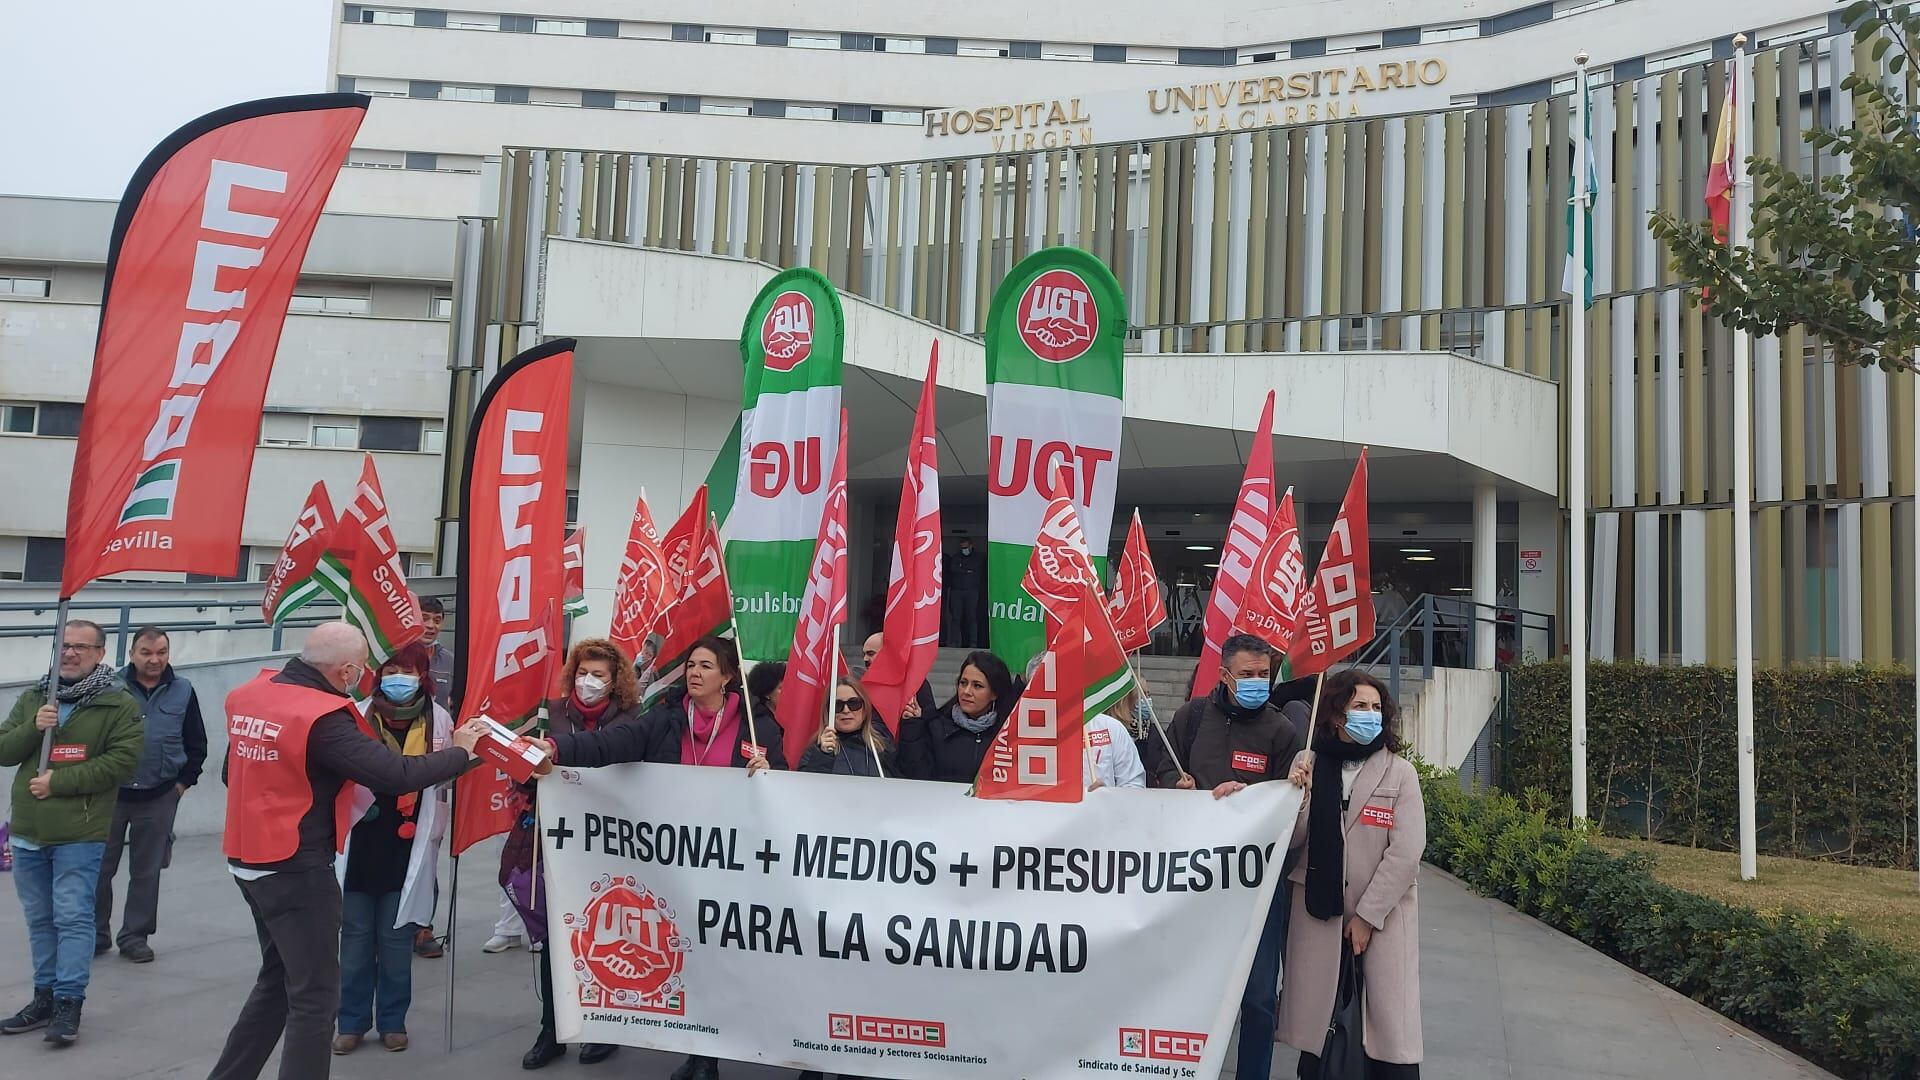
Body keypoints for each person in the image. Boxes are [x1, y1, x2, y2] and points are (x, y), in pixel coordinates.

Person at [208, 622, 484, 1080]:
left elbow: (229, 773)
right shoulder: (320, 714)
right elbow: (395, 774)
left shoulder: (252, 694)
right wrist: (462, 752)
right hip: (296, 869)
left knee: (278, 982)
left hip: (248, 858)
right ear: (350, 670)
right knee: (316, 999)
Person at [542, 635, 779, 1080]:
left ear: (727, 677)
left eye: (706, 666)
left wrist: (770, 775)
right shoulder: (667, 718)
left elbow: (783, 780)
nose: (695, 673)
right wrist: (558, 750)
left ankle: (709, 1055)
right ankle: (693, 1048)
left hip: (728, 864)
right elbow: (615, 742)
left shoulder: (755, 723)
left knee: (716, 960)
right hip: (672, 865)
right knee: (683, 957)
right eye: (691, 664)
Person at [1155, 634, 1306, 1080]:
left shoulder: (1283, 731)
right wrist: (1174, 786)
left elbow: (1290, 820)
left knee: (1259, 997)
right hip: (1194, 883)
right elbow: (1159, 772)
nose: (1257, 682)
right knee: (1190, 990)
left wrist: (1271, 797)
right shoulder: (1191, 718)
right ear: (1224, 676)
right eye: (1247, 675)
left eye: (1264, 675)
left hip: (1259, 889)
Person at [0, 619, 143, 1045]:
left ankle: (68, 1002)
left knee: (74, 918)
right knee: (40, 919)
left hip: (79, 833)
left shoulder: (117, 703)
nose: (70, 653)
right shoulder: (35, 695)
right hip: (28, 832)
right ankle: (42, 997)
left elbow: (122, 763)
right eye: (65, 645)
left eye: (81, 647)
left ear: (101, 654)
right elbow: (5, 749)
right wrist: (34, 728)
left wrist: (58, 782)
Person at [1277, 669, 1426, 1078]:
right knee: (1321, 1037)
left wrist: (1366, 917)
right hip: (1320, 916)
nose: (1370, 714)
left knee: (1387, 1039)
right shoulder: (1309, 762)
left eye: (1376, 707)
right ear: (1338, 715)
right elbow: (1294, 840)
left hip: (1381, 921)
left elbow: (1407, 852)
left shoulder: (1399, 773)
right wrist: (1299, 796)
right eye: (1360, 706)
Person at [517, 638, 645, 1070]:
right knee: (557, 937)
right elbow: (523, 773)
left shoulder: (629, 718)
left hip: (609, 844)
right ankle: (551, 1028)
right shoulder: (550, 713)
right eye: (583, 673)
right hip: (556, 842)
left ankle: (601, 1028)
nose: (588, 682)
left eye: (599, 676)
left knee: (604, 938)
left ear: (615, 682)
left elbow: (625, 757)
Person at [330, 643, 453, 1056]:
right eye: (391, 669)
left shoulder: (439, 719)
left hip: (409, 847)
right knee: (357, 939)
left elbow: (450, 775)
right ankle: (350, 1021)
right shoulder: (355, 714)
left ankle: (392, 1021)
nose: (398, 677)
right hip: (361, 843)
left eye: (408, 669)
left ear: (422, 674)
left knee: (398, 942)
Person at [96, 625, 207, 964]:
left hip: (160, 795)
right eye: (146, 653)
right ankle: (95, 934)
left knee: (147, 871)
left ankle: (135, 936)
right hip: (110, 795)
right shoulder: (110, 687)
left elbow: (197, 744)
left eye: (161, 653)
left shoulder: (183, 690)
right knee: (99, 867)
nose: (154, 659)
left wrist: (181, 785)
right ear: (131, 654)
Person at [1021, 654, 1145, 791]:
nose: (1050, 693)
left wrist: (1109, 796)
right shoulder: (1019, 736)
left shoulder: (1110, 729)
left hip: (1101, 812)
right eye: (1040, 688)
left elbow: (1135, 785)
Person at [894, 651, 1014, 784]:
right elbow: (916, 775)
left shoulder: (1008, 733)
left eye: (977, 686)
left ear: (994, 693)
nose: (966, 691)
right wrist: (913, 728)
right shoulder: (937, 727)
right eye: (963, 683)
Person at [797, 677, 893, 777]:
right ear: (828, 711)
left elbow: (905, 777)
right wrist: (823, 756)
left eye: (854, 703)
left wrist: (910, 726)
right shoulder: (815, 752)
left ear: (865, 708)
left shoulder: (882, 747)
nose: (846, 710)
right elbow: (809, 788)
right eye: (837, 705)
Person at [859, 631, 935, 720]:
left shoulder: (915, 683)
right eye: (864, 654)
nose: (865, 659)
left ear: (887, 653)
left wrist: (918, 717)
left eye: (870, 654)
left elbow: (932, 717)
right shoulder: (860, 683)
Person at [943, 536, 986, 647]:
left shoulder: (978, 557)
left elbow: (975, 567)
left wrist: (961, 568)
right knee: (956, 618)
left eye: (966, 547)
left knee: (972, 618)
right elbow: (953, 568)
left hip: (972, 591)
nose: (964, 549)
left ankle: (973, 642)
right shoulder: (956, 557)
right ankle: (955, 642)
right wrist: (967, 570)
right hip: (957, 591)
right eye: (962, 547)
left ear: (971, 546)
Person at [417, 597, 454, 708]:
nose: (431, 625)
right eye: (424, 619)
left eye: (437, 621)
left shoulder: (450, 660)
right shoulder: (397, 655)